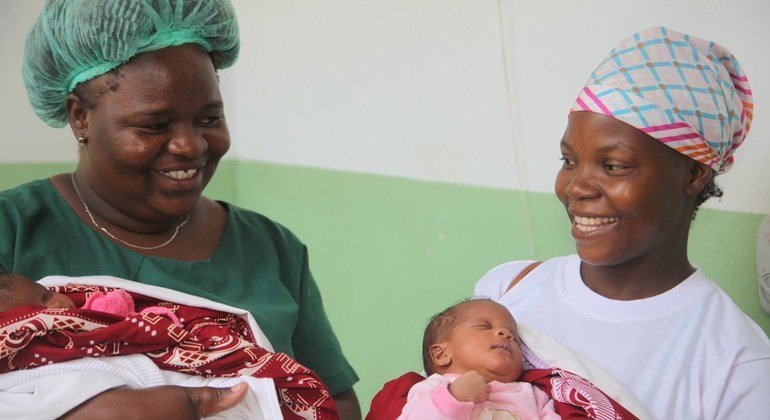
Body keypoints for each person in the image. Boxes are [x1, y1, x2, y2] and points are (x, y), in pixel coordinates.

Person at [1, 0, 359, 417]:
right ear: (80, 117)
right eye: (154, 125)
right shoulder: (13, 230)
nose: (190, 146)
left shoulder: (272, 248)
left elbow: (336, 401)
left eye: (209, 119)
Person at [474, 26, 770, 419]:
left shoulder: (737, 366)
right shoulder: (505, 295)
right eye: (568, 160)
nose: (576, 187)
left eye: (613, 166)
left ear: (693, 174)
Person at [0, 273, 338, 419]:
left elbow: (343, 395)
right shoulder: (28, 377)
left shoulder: (275, 243)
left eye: (47, 294)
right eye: (42, 306)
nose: (58, 303)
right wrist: (191, 401)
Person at [398, 298, 559, 419]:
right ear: (442, 354)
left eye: (515, 338)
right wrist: (454, 396)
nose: (506, 334)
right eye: (484, 326)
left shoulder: (533, 395)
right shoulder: (433, 389)